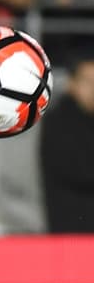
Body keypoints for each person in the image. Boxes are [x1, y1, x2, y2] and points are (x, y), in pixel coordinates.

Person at [39, 59, 94, 233]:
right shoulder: (59, 122)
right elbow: (82, 168)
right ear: (71, 84)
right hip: (70, 234)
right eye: (88, 82)